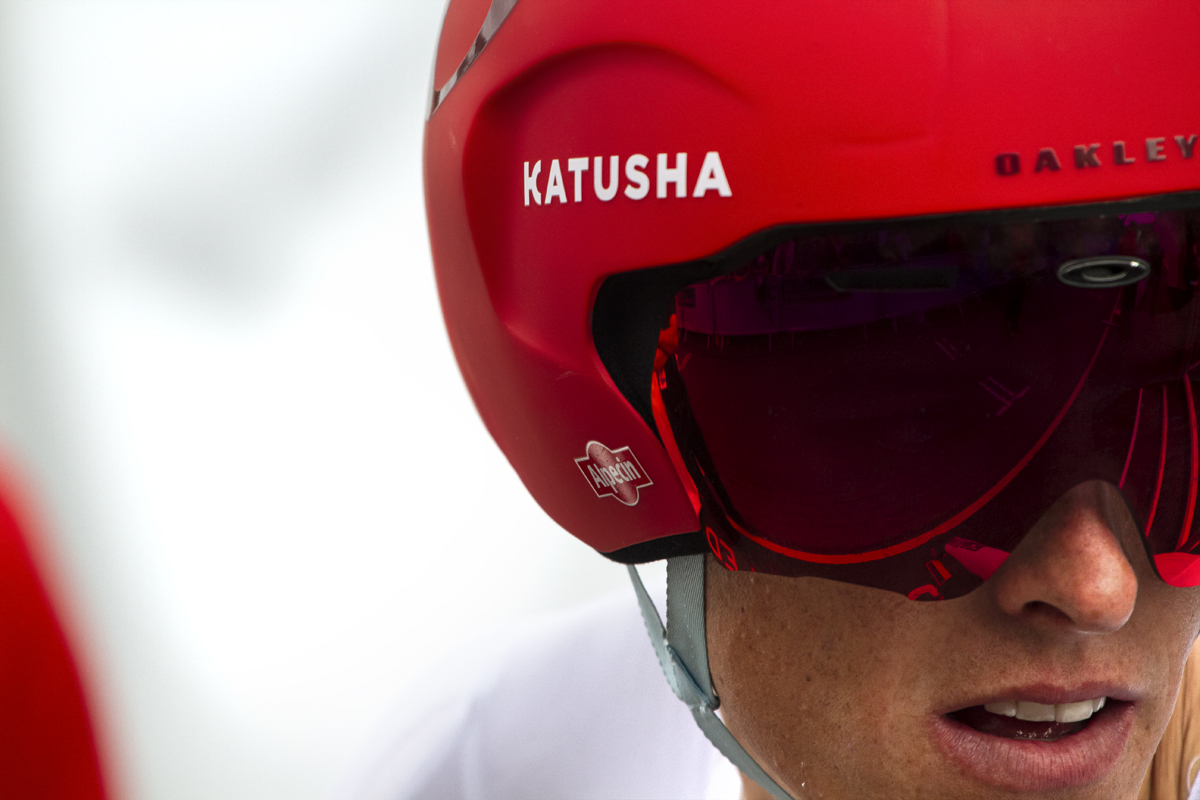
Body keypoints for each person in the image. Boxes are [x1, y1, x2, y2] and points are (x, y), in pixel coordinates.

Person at [379, 0, 1200, 797]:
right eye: (918, 414)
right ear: (619, 432)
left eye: (1183, 393)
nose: (1099, 589)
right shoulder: (496, 763)